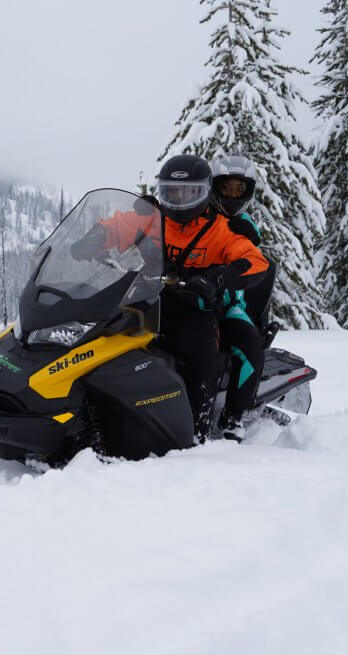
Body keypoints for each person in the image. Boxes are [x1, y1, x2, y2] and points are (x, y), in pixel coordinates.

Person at [73, 154, 269, 443]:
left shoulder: (223, 230)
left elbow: (253, 260)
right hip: (148, 298)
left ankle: (201, 427)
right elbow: (118, 225)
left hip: (197, 308)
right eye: (172, 192)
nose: (179, 200)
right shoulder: (153, 218)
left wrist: (219, 277)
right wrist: (96, 236)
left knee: (204, 353)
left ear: (204, 192)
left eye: (189, 193)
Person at [208, 155, 271, 440]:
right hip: (186, 298)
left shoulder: (243, 224)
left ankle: (234, 416)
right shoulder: (198, 216)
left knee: (249, 346)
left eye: (239, 189)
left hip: (229, 305)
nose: (233, 195)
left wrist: (250, 236)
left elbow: (252, 246)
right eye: (227, 188)